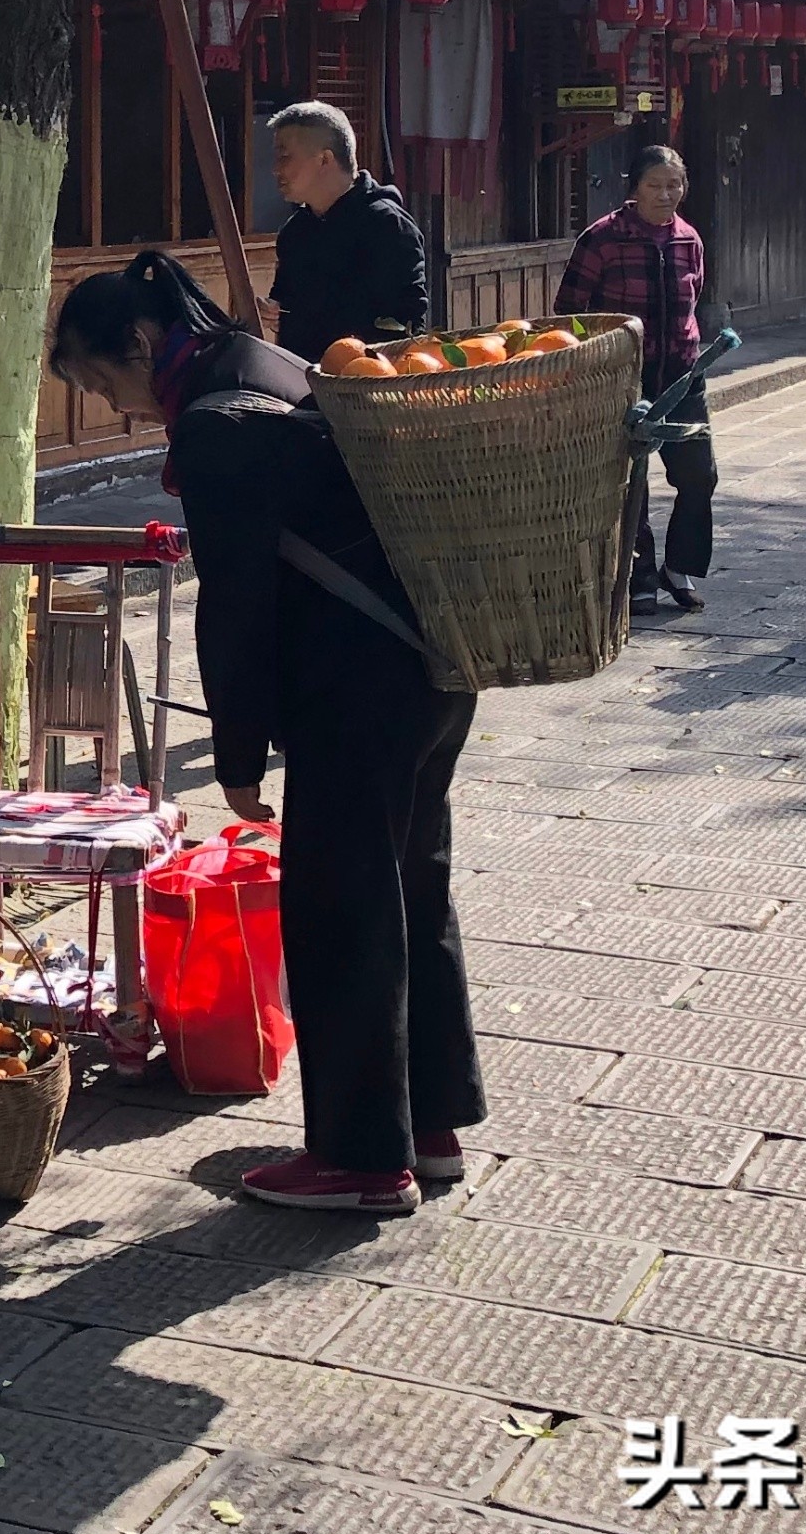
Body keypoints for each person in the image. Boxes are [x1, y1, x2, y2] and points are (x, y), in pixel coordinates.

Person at [51, 249, 485, 1216]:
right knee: (413, 883)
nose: (118, 407)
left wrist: (237, 752)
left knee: (341, 910)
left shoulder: (213, 425)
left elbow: (236, 603)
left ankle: (362, 1160)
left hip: (355, 682)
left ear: (138, 341)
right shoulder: (266, 362)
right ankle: (428, 1124)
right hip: (432, 659)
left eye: (105, 381)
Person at [555, 145, 714, 611]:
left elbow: (696, 297)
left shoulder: (689, 239)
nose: (666, 195)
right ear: (634, 187)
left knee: (699, 475)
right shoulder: (602, 239)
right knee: (630, 481)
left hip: (682, 375)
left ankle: (678, 567)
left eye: (674, 185)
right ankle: (639, 575)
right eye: (655, 185)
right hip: (624, 376)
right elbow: (569, 311)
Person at [265, 100, 428, 361]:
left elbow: (406, 325)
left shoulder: (387, 225)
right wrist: (274, 311)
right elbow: (284, 304)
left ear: (324, 159)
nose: (276, 169)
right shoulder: (295, 232)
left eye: (285, 156)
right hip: (303, 384)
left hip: (367, 384)